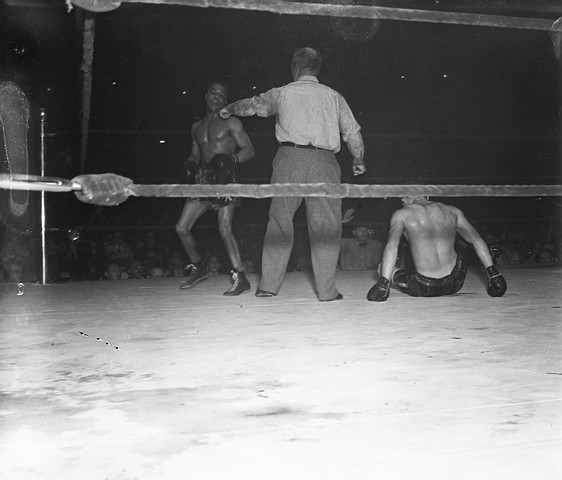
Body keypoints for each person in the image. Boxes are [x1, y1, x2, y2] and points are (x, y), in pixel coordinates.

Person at [220, 47, 366, 301]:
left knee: (279, 221)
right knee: (327, 226)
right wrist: (359, 159)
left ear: (295, 67)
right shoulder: (334, 96)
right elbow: (352, 133)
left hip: (289, 160)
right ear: (317, 68)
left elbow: (253, 107)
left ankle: (268, 286)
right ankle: (327, 292)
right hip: (325, 162)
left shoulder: (283, 92)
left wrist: (229, 109)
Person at [176, 81, 255, 295]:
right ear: (206, 95)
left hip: (225, 176)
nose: (216, 97)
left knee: (224, 228)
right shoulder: (196, 127)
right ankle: (198, 267)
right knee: (182, 227)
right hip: (204, 178)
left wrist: (232, 159)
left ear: (225, 101)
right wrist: (189, 165)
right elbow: (195, 153)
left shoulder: (232, 123)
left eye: (221, 94)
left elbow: (249, 150)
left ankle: (241, 277)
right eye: (213, 92)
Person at [367, 194, 507, 301]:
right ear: (427, 195)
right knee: (463, 252)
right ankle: (493, 274)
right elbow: (477, 240)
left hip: (424, 286)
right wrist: (494, 275)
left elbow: (392, 246)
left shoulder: (402, 213)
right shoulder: (452, 211)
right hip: (455, 282)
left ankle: (385, 281)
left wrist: (383, 284)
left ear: (404, 199)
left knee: (381, 267)